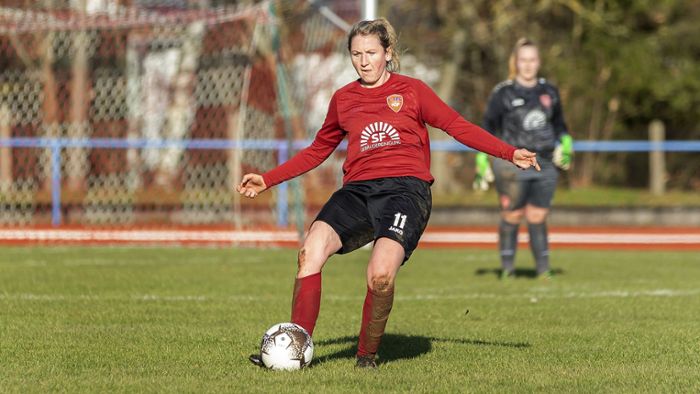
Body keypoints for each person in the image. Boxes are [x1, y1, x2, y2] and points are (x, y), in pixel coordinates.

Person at [238, 19, 540, 369]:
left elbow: (457, 126)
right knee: (310, 252)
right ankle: (296, 348)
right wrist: (268, 179)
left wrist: (509, 152)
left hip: (406, 192)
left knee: (380, 275)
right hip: (356, 192)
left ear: (388, 54)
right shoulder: (343, 99)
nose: (363, 61)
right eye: (356, 54)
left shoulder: (412, 91)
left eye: (371, 53)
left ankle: (366, 357)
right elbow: (318, 150)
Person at [474, 38, 573, 280]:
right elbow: (487, 130)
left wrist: (567, 145)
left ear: (538, 62)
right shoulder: (503, 93)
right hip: (512, 163)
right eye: (523, 60)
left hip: (545, 163)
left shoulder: (549, 91)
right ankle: (507, 269)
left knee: (538, 216)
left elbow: (560, 125)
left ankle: (543, 270)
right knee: (513, 214)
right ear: (515, 62)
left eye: (532, 60)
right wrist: (482, 161)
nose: (528, 65)